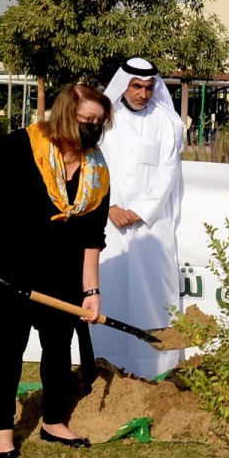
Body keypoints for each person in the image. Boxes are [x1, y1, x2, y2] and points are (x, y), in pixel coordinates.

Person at [0, 84, 112, 458]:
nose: (93, 129)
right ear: (65, 114)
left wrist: (91, 290)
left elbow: (92, 236)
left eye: (99, 122)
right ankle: (4, 430)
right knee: (5, 352)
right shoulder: (18, 149)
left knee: (58, 350)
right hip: (8, 272)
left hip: (60, 276)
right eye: (87, 121)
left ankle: (53, 421)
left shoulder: (97, 170)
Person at [94, 58, 184, 367]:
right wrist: (110, 205)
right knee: (109, 291)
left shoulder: (168, 123)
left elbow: (168, 172)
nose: (142, 94)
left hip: (150, 225)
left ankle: (156, 369)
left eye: (148, 88)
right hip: (107, 221)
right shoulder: (103, 120)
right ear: (124, 84)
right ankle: (105, 363)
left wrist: (140, 211)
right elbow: (92, 165)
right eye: (136, 86)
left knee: (154, 297)